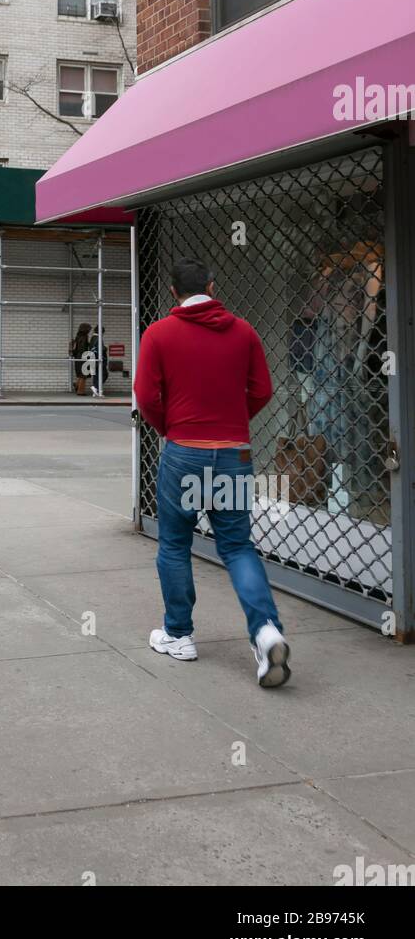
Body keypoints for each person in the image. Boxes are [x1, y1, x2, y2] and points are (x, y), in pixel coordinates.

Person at [134, 258, 291, 687]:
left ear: (172, 292)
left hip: (184, 453)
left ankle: (179, 635)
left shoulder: (159, 334)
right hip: (234, 455)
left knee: (174, 544)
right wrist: (235, 424)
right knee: (238, 547)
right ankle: (265, 631)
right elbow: (262, 390)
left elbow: (146, 395)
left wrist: (173, 429)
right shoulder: (244, 332)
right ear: (212, 285)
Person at [68, 322, 93, 396]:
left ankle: (77, 385)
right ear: (86, 329)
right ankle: (80, 391)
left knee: (80, 374)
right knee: (83, 375)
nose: (89, 330)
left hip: (77, 357)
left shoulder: (78, 336)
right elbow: (82, 348)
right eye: (89, 329)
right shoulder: (84, 337)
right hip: (83, 357)